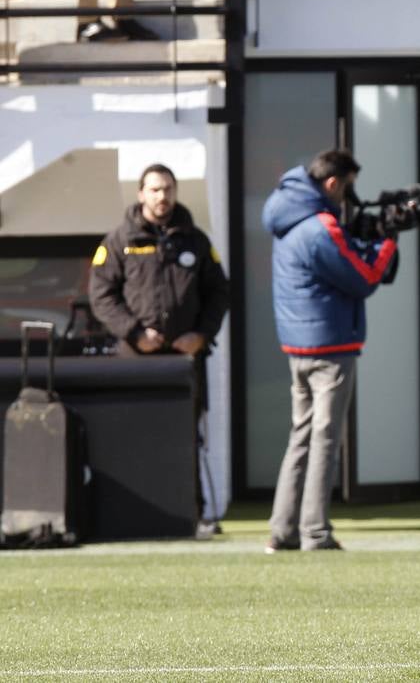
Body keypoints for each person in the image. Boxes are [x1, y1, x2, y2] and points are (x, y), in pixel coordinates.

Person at [261, 149, 399, 552]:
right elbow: (366, 276)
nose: (349, 199)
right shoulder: (320, 226)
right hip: (330, 345)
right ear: (333, 183)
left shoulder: (287, 217)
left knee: (301, 437)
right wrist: (388, 237)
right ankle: (315, 532)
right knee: (324, 438)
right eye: (348, 188)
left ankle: (282, 530)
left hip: (298, 345)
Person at [88, 163, 230, 536]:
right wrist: (135, 333)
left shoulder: (196, 241)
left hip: (185, 359)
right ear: (140, 194)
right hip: (135, 361)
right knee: (134, 437)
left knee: (187, 438)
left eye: (167, 188)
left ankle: (193, 516)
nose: (161, 196)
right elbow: (101, 295)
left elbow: (219, 293)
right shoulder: (119, 241)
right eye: (154, 189)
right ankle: (132, 519)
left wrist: (201, 334)